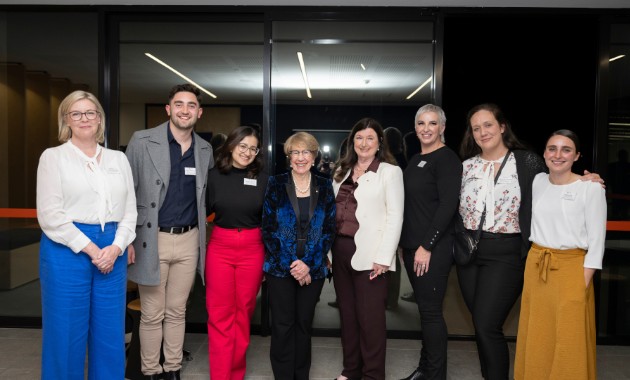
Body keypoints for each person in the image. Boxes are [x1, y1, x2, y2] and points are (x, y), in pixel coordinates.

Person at [457, 103, 602, 380]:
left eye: (488, 125)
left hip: (507, 253)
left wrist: (589, 180)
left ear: (502, 127)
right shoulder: (465, 166)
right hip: (469, 254)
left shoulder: (526, 161)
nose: (482, 132)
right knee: (480, 325)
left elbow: (558, 179)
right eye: (476, 128)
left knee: (488, 324)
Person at [36, 90, 137, 379]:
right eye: (76, 113)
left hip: (112, 248)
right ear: (66, 119)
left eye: (90, 113)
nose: (84, 119)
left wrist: (116, 247)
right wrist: (94, 250)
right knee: (65, 335)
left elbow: (130, 211)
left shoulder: (118, 159)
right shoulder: (53, 158)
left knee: (109, 335)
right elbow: (51, 216)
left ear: (99, 119)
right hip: (67, 249)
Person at [125, 83, 213, 380]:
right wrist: (126, 240)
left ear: (199, 112)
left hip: (189, 240)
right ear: (168, 109)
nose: (184, 110)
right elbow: (126, 191)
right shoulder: (142, 141)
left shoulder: (204, 149)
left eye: (191, 105)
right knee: (152, 312)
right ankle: (150, 371)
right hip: (152, 239)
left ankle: (172, 369)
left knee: (177, 311)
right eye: (179, 104)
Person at [514, 130, 606, 380]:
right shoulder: (538, 181)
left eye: (566, 149)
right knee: (538, 334)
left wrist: (582, 282)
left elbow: (597, 242)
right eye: (552, 148)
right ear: (544, 154)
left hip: (571, 269)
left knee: (568, 339)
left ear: (577, 155)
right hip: (536, 266)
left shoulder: (591, 188)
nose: (558, 155)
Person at [332, 118, 404, 380]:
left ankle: (373, 375)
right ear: (353, 142)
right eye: (359, 137)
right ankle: (351, 370)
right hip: (340, 250)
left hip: (372, 256)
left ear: (379, 142)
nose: (364, 143)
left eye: (370, 138)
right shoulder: (342, 169)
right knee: (348, 317)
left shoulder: (390, 172)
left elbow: (395, 216)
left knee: (370, 320)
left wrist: (384, 257)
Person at [262, 132, 336, 380]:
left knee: (304, 325)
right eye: (295, 152)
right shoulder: (275, 183)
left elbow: (329, 230)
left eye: (306, 152)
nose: (301, 157)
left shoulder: (325, 186)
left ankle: (300, 375)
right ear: (289, 156)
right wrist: (293, 265)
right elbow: (268, 229)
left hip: (312, 270)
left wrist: (308, 265)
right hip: (280, 268)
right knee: (283, 326)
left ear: (314, 157)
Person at [399, 105, 462, 380]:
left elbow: (448, 207)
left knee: (431, 313)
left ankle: (435, 374)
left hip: (432, 250)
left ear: (442, 127)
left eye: (432, 123)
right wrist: (405, 246)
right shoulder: (415, 160)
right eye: (421, 123)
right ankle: (424, 369)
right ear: (416, 127)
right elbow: (412, 207)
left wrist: (426, 246)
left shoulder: (447, 159)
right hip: (414, 248)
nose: (426, 128)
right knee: (425, 313)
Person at [205, 126, 269, 380]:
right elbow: (204, 212)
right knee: (219, 313)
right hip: (220, 245)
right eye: (243, 146)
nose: (247, 152)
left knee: (243, 313)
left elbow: (270, 219)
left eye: (252, 148)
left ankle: (236, 373)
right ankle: (220, 375)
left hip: (253, 247)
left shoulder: (263, 179)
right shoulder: (213, 176)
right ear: (231, 145)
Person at [383, 126, 408, 311]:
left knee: (389, 256)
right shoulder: (404, 160)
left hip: (390, 213)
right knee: (392, 257)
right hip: (400, 212)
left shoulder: (390, 162)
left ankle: (390, 299)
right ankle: (391, 299)